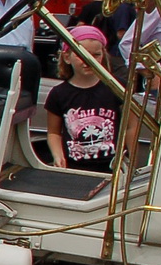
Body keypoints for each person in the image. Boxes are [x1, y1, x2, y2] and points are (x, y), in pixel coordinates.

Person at [45, 25, 118, 173]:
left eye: (96, 55)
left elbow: (130, 127)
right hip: (74, 168)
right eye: (81, 55)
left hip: (111, 167)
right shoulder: (59, 94)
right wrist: (58, 156)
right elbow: (53, 132)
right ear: (67, 57)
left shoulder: (116, 88)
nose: (88, 60)